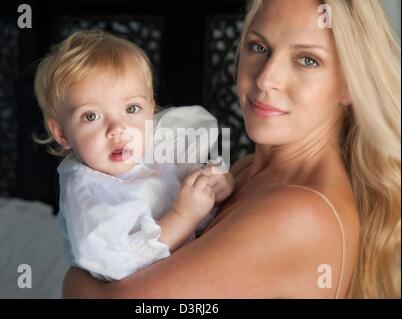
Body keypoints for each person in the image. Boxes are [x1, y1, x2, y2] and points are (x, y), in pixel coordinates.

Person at [62, 0, 401, 298]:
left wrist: (76, 280)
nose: (267, 78)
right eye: (259, 48)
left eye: (307, 60)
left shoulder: (299, 212)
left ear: (350, 85)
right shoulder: (243, 173)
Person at [33, 30, 235, 281]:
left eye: (131, 108)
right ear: (62, 134)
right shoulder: (87, 191)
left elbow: (201, 190)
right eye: (91, 116)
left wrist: (216, 185)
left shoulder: (160, 149)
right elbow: (116, 263)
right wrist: (183, 217)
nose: (118, 129)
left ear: (151, 108)